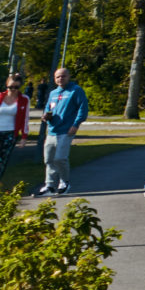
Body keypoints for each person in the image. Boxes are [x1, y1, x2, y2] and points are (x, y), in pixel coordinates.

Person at [33, 66, 89, 198]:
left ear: (69, 77)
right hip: (52, 130)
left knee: (60, 158)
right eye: (57, 77)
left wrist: (76, 124)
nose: (60, 79)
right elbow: (48, 108)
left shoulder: (75, 90)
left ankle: (64, 182)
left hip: (66, 130)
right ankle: (50, 185)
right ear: (54, 78)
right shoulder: (53, 93)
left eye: (63, 76)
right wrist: (46, 116)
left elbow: (83, 108)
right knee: (48, 159)